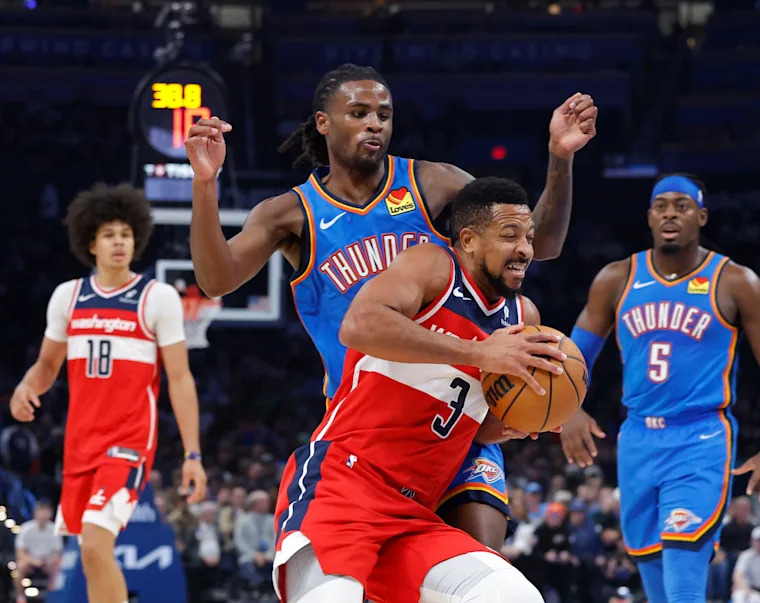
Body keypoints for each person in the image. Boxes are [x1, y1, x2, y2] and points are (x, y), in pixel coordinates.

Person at [185, 62, 597, 551]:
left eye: (383, 113)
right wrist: (205, 184)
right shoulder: (290, 213)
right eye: (358, 112)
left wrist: (559, 157)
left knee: (483, 568)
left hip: (458, 414)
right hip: (367, 429)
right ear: (323, 122)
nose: (374, 123)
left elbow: (534, 240)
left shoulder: (433, 184)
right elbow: (216, 280)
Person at [272, 177, 562, 602]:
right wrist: (482, 353)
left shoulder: (523, 316)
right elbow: (359, 326)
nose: (526, 250)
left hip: (412, 515)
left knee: (515, 597)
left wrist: (512, 422)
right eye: (510, 236)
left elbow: (472, 422)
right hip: (342, 486)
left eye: (529, 238)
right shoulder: (432, 267)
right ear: (469, 240)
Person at [559, 174, 760, 602]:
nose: (671, 213)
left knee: (684, 567)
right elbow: (575, 358)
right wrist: (568, 410)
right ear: (650, 217)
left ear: (701, 217)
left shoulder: (736, 281)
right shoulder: (616, 278)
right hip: (637, 439)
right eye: (661, 205)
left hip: (700, 437)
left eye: (682, 205)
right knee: (653, 572)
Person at [9, 184, 207, 603]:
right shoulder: (69, 296)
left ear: (136, 239)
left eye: (126, 233)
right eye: (109, 234)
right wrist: (27, 386)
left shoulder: (157, 298)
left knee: (98, 542)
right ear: (91, 243)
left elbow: (181, 379)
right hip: (80, 446)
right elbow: (47, 366)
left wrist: (193, 455)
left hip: (128, 444)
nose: (119, 242)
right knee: (90, 554)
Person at [14, 500, 61, 603]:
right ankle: (20, 598)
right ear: (35, 512)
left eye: (46, 511)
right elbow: (20, 553)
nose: (43, 514)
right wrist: (33, 561)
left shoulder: (54, 529)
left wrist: (50, 561)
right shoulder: (26, 528)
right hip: (31, 561)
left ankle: (55, 596)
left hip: (48, 561)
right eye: (41, 510)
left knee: (58, 567)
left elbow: (57, 552)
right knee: (20, 567)